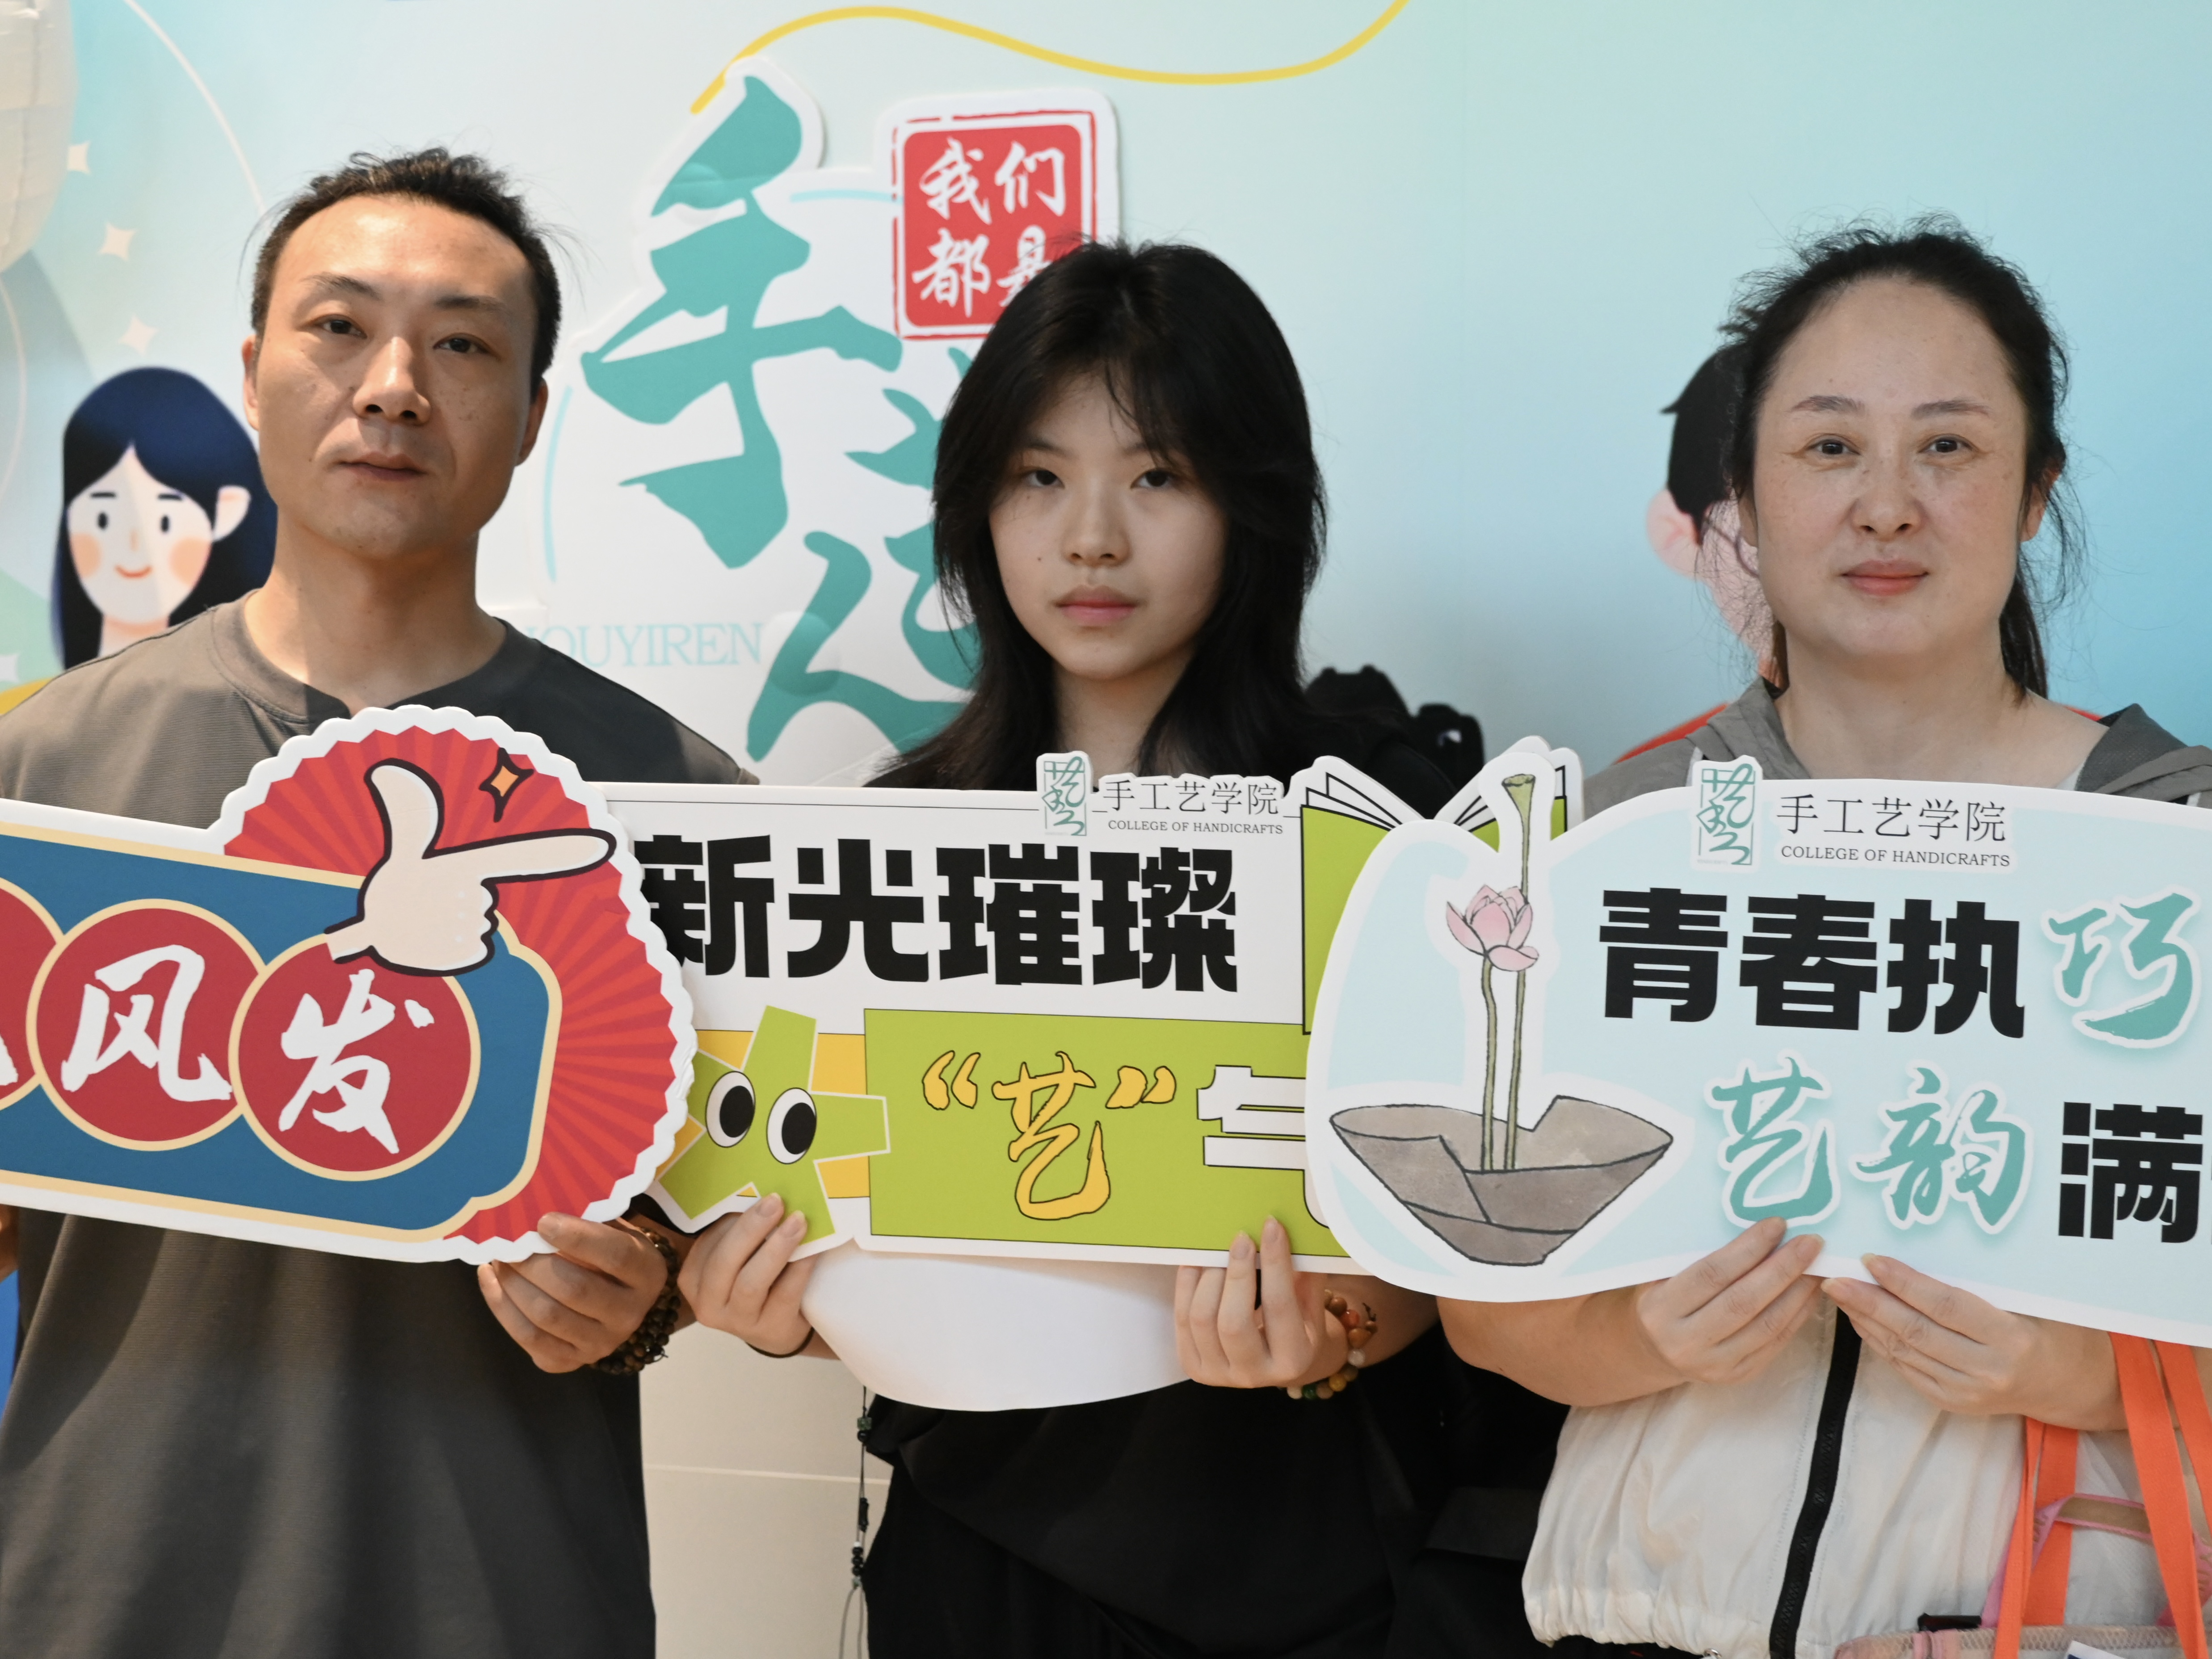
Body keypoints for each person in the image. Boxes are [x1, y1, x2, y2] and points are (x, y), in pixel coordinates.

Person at [679, 240, 1566, 1658]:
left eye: (1157, 477)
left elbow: (1478, 1214)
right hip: (980, 1563)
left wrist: (1335, 1336)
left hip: (1306, 1559)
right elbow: (838, 1193)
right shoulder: (890, 841)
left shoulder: (1375, 826)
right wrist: (778, 1301)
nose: (1091, 537)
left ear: (1253, 508)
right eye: (1038, 477)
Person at [0, 150, 749, 1657]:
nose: (394, 386)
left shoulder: (673, 801)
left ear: (532, 416)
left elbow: (707, 1232)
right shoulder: (42, 769)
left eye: (462, 344)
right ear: (252, 372)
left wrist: (639, 1303)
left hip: (504, 1600)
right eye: (339, 327)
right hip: (101, 1593)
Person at [1443, 221, 2212, 1659]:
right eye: (1829, 447)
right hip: (1642, 1621)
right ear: (1741, 495)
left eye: (1948, 448)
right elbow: (1484, 1296)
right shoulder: (1620, 839)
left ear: (2035, 491)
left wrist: (2086, 1372)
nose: (1887, 505)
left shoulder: (2176, 845)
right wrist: (1639, 1339)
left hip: (2037, 1623)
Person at [53, 366, 278, 666]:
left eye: (165, 523)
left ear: (227, 512)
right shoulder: (46, 697)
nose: (134, 548)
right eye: (103, 520)